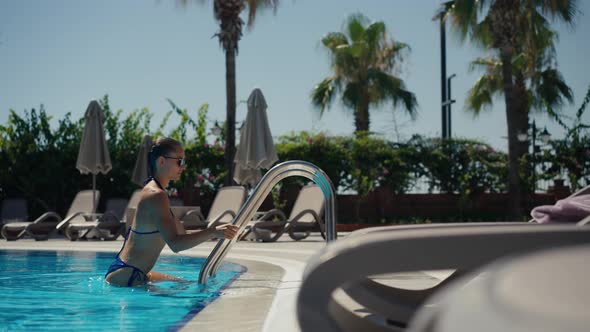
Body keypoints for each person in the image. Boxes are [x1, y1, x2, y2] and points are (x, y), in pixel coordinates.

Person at [105, 137, 239, 287]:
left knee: (186, 284)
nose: (183, 166)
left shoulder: (157, 192)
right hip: (128, 276)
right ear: (161, 161)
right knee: (194, 293)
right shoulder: (155, 195)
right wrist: (212, 232)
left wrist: (214, 232)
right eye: (179, 161)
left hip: (129, 272)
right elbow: (176, 244)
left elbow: (180, 234)